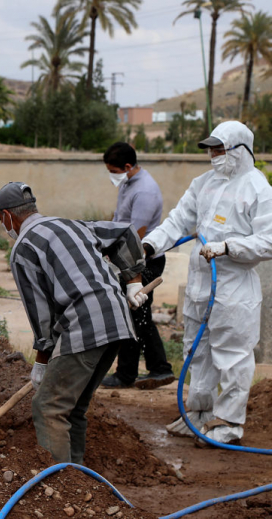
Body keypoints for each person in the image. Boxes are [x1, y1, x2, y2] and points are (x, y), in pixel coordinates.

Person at [143, 121, 272, 444]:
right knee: (198, 352)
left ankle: (230, 423)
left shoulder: (258, 189)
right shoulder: (204, 183)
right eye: (210, 149)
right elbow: (179, 220)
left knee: (232, 356)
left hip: (233, 290)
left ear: (240, 150)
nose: (213, 155)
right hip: (200, 288)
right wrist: (150, 245)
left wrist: (230, 247)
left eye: (219, 149)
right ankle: (199, 413)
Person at [0, 181, 146, 464]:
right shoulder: (72, 225)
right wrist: (133, 281)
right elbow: (125, 232)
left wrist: (41, 361)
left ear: (7, 216)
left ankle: (59, 488)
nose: (5, 227)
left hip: (85, 326)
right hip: (117, 321)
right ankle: (78, 484)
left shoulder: (24, 248)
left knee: (49, 407)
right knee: (73, 408)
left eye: (1, 220)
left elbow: (41, 315)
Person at [100, 142, 176, 390]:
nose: (111, 176)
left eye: (113, 171)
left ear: (128, 166)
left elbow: (136, 234)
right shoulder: (129, 183)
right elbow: (119, 220)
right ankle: (159, 369)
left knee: (132, 314)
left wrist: (114, 257)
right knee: (139, 316)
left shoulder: (144, 191)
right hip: (129, 257)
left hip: (142, 260)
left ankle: (126, 375)